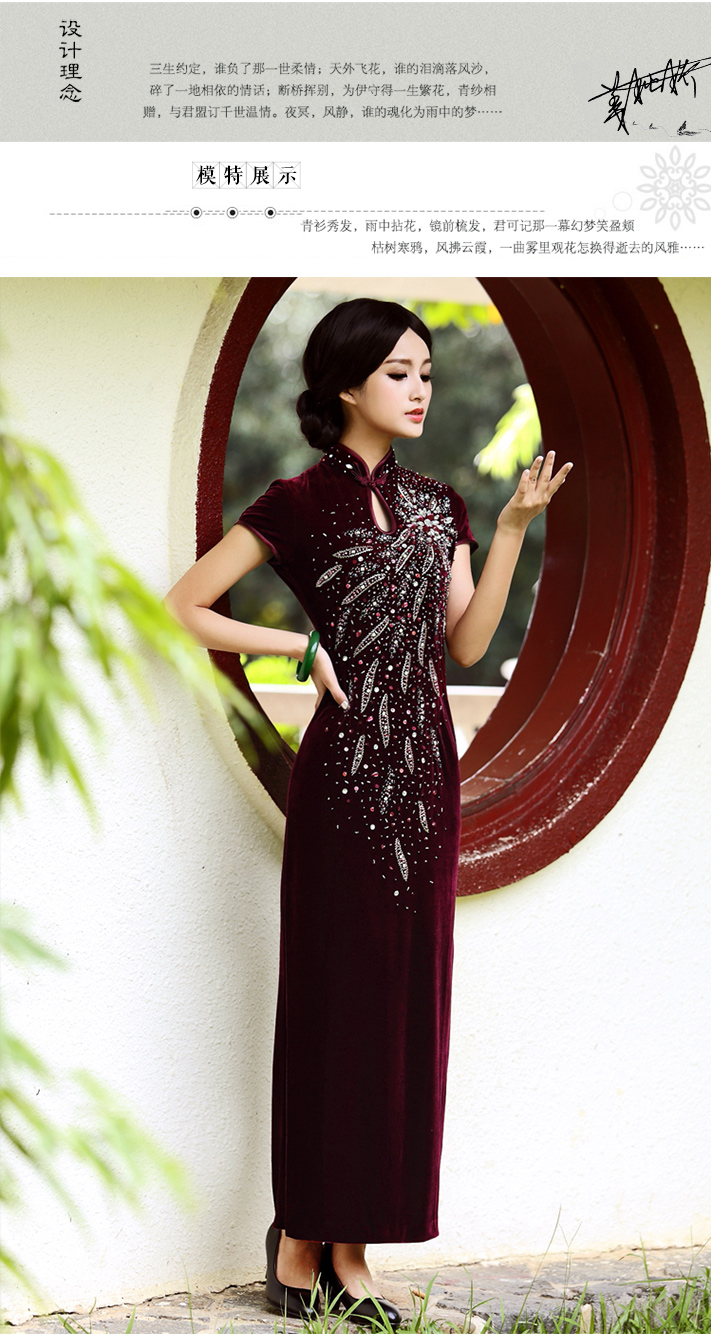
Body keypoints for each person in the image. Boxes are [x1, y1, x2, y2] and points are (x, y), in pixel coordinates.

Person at [165, 297, 572, 1328]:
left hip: (427, 781)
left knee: (403, 1013)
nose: (420, 388)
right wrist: (295, 647)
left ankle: (353, 1248)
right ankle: (301, 1239)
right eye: (399, 372)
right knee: (332, 1005)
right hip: (343, 784)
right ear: (346, 385)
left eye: (427, 371)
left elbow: (468, 644)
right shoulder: (297, 502)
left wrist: (513, 527)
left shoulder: (442, 506)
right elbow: (183, 606)